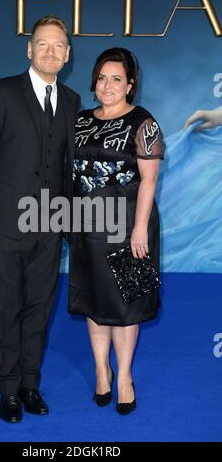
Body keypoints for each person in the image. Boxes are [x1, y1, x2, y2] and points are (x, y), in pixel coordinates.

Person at [0, 16, 80, 423]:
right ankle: (9, 388)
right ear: (29, 50)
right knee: (8, 305)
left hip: (50, 223)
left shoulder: (70, 100)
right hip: (6, 221)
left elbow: (68, 164)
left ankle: (31, 384)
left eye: (59, 46)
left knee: (39, 306)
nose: (51, 52)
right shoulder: (1, 91)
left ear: (68, 55)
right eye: (43, 44)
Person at [69, 48, 165, 415]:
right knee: (95, 303)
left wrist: (140, 228)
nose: (108, 86)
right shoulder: (79, 121)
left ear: (130, 84)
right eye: (102, 78)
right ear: (94, 81)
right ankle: (101, 371)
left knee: (127, 305)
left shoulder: (143, 122)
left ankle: (124, 376)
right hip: (87, 227)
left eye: (117, 79)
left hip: (128, 226)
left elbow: (149, 179)